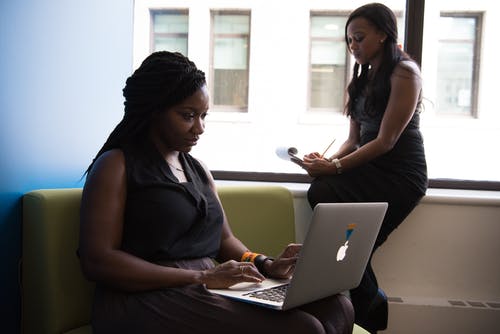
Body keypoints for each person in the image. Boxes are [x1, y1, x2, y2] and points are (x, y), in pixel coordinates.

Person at [78, 51, 354, 334]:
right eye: (187, 116)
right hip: (143, 296)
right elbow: (99, 260)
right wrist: (201, 276)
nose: (199, 128)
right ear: (153, 110)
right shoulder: (117, 164)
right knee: (303, 329)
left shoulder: (198, 170)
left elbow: (226, 241)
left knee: (337, 307)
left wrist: (265, 264)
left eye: (203, 116)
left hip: (205, 284)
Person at [300, 3, 428, 334]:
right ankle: (369, 306)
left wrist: (337, 168)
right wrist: (327, 163)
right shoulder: (362, 78)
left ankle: (367, 307)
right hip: (370, 167)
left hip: (401, 175)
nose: (353, 46)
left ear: (384, 35)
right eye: (349, 41)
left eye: (359, 38)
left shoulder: (405, 73)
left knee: (353, 245)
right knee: (327, 202)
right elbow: (353, 138)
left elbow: (386, 141)